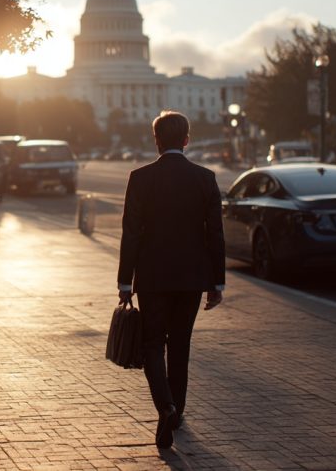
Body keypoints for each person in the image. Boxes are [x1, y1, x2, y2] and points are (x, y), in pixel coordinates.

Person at [117, 110, 225, 450]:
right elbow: (215, 235)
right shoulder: (205, 178)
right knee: (180, 345)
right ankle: (176, 412)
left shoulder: (140, 178)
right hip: (191, 277)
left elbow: (131, 233)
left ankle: (164, 407)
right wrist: (217, 283)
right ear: (187, 140)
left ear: (157, 141)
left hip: (151, 277)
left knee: (152, 344)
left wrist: (125, 282)